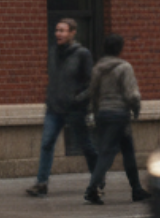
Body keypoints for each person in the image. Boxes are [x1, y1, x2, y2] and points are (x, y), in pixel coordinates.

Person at [26, 18, 97, 197]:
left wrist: (79, 99)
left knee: (86, 146)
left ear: (73, 32)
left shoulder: (82, 54)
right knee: (47, 143)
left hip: (75, 109)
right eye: (57, 30)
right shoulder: (53, 52)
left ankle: (97, 181)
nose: (58, 34)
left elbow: (93, 83)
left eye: (63, 30)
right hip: (54, 107)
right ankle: (41, 183)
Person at [82, 34, 149, 206]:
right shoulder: (124, 68)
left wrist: (96, 113)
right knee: (108, 153)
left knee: (127, 152)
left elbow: (93, 93)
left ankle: (136, 189)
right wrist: (136, 109)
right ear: (120, 48)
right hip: (119, 115)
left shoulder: (98, 68)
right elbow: (132, 94)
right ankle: (92, 188)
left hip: (103, 114)